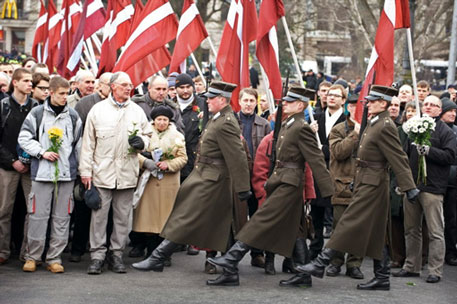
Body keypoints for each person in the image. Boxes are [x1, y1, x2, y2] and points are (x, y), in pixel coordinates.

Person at [295, 85, 419, 291]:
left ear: (383, 103)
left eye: (372, 100)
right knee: (378, 232)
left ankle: (321, 263)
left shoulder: (385, 124)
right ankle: (382, 276)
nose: (367, 103)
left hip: (374, 183)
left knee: (349, 222)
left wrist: (409, 186)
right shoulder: (375, 122)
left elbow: (398, 158)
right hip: (365, 180)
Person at [206, 86, 334, 287]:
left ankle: (232, 258)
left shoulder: (301, 127)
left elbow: (316, 160)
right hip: (282, 180)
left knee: (260, 219)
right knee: (297, 229)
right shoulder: (289, 124)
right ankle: (303, 275)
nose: (285, 103)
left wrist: (328, 192)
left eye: (290, 101)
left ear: (300, 105)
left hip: (290, 183)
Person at [131, 81, 250, 273]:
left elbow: (238, 157)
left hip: (213, 180)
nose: (207, 101)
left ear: (222, 99)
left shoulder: (226, 122)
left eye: (211, 98)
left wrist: (243, 187)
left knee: (186, 217)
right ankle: (230, 272)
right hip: (207, 176)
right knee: (221, 223)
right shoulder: (218, 118)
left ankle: (158, 256)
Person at [79, 72, 152, 275]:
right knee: (99, 218)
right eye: (123, 85)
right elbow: (87, 145)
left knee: (122, 217)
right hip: (102, 174)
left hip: (127, 173)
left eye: (130, 85)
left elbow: (148, 135)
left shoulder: (137, 111)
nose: (128, 88)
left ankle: (117, 254)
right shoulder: (98, 111)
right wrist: (85, 172)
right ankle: (97, 256)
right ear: (112, 87)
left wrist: (143, 143)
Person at [18, 76, 82, 273]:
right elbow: (24, 137)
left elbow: (78, 145)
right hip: (42, 174)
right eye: (61, 94)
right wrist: (41, 152)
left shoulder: (73, 116)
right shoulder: (37, 113)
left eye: (67, 93)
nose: (65, 97)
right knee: (37, 216)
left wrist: (80, 170)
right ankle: (33, 257)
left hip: (66, 175)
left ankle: (54, 258)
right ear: (51, 92)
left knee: (62, 218)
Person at [394, 95, 456, 283]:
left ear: (440, 110)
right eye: (426, 104)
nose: (428, 107)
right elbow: (404, 155)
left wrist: (429, 151)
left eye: (433, 105)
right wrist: (402, 182)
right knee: (411, 229)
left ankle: (435, 270)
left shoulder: (445, 131)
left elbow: (451, 156)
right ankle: (411, 266)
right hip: (413, 185)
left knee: (435, 230)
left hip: (433, 187)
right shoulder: (414, 127)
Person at [132, 105, 187, 258]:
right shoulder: (145, 134)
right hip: (148, 181)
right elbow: (134, 154)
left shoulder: (177, 136)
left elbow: (183, 158)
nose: (161, 122)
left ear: (169, 122)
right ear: (153, 120)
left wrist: (168, 165)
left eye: (165, 120)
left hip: (168, 183)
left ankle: (164, 254)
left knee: (165, 219)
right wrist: (146, 162)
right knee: (148, 219)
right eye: (159, 119)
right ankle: (150, 251)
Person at [69, 72, 112, 263]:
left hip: (108, 166)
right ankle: (78, 248)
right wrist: (83, 166)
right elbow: (77, 136)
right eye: (108, 84)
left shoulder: (120, 107)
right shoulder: (85, 104)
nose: (111, 88)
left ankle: (108, 250)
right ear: (99, 86)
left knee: (107, 211)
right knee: (83, 207)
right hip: (87, 162)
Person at [325, 94, 364, 280]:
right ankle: (335, 262)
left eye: (362, 105)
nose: (358, 110)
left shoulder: (371, 129)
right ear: (349, 108)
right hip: (342, 186)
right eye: (355, 106)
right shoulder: (339, 129)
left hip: (364, 186)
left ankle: (354, 264)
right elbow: (339, 152)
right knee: (339, 226)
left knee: (359, 227)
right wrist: (355, 134)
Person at [0, 68, 36, 265]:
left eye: (31, 81)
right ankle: (3, 250)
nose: (30, 84)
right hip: (7, 167)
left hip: (31, 167)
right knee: (4, 210)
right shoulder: (3, 107)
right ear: (15, 83)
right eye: (26, 81)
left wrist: (30, 160)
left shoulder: (37, 108)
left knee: (33, 212)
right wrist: (12, 160)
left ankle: (28, 252)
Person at [308, 84, 346, 259]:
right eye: (330, 94)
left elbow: (343, 150)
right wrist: (310, 132)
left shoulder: (347, 122)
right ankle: (315, 249)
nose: (331, 97)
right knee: (316, 213)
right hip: (318, 173)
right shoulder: (315, 118)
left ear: (343, 100)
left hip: (338, 174)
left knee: (337, 217)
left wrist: (323, 149)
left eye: (336, 96)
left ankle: (334, 254)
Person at [237, 88, 271, 268]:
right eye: (246, 100)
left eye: (252, 101)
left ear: (256, 103)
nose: (248, 104)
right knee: (235, 215)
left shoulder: (264, 124)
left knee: (257, 215)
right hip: (237, 175)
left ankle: (257, 253)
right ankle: (230, 252)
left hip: (256, 175)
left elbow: (267, 150)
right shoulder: (232, 121)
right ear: (239, 102)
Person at [439, 98, 457, 266]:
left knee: (451, 219)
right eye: (449, 111)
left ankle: (451, 252)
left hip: (453, 183)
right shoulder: (434, 129)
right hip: (437, 181)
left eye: (454, 111)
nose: (453, 113)